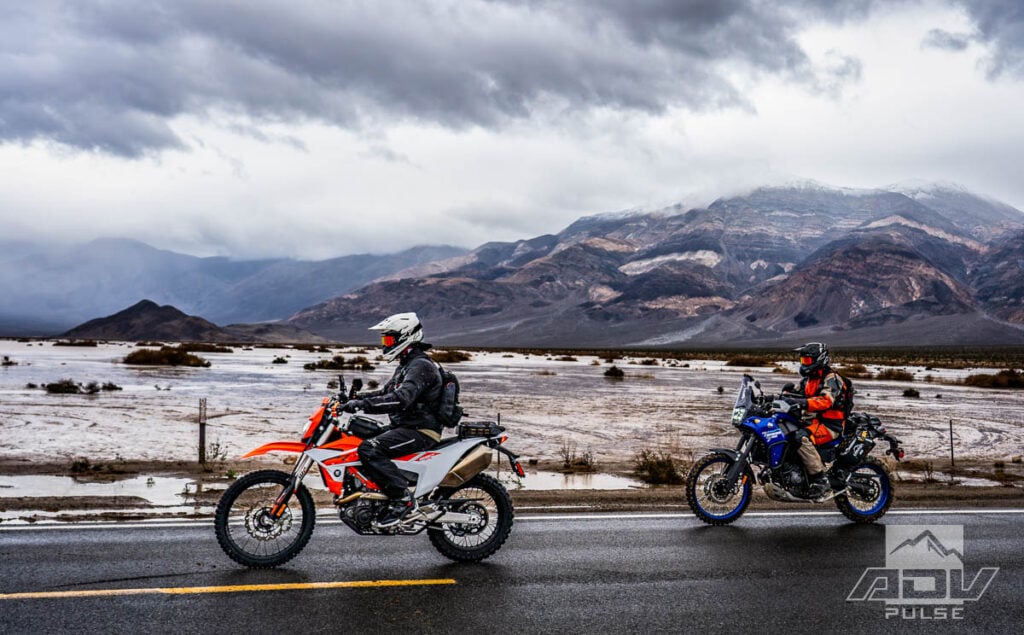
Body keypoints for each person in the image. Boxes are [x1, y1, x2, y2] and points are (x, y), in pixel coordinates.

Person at [342, 312, 443, 527]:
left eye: (389, 339)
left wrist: (362, 405)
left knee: (370, 448)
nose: (385, 344)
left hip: (421, 431)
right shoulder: (407, 364)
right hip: (405, 426)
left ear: (405, 337)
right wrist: (353, 399)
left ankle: (403, 500)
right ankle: (375, 494)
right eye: (384, 340)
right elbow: (385, 392)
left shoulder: (421, 366)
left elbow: (401, 399)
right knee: (361, 436)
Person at [780, 342, 849, 498]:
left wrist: (802, 403)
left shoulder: (833, 379)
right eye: (803, 361)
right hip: (812, 422)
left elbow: (826, 401)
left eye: (808, 360)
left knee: (800, 438)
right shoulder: (808, 380)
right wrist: (774, 398)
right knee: (783, 430)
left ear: (820, 359)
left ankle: (820, 480)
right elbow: (794, 396)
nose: (804, 364)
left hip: (830, 425)